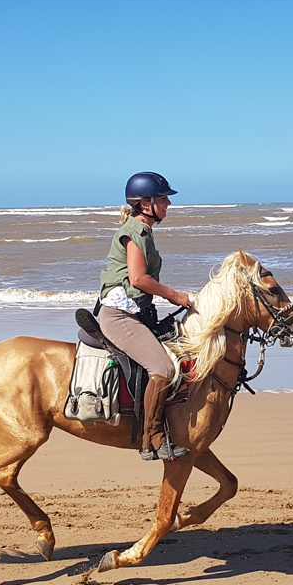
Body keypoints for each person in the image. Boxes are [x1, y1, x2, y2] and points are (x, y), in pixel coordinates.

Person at [97, 171, 194, 461]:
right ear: (145, 203)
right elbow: (138, 279)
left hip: (136, 311)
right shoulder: (135, 232)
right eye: (163, 199)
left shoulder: (144, 231)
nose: (168, 204)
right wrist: (177, 296)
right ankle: (151, 437)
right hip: (119, 316)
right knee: (164, 370)